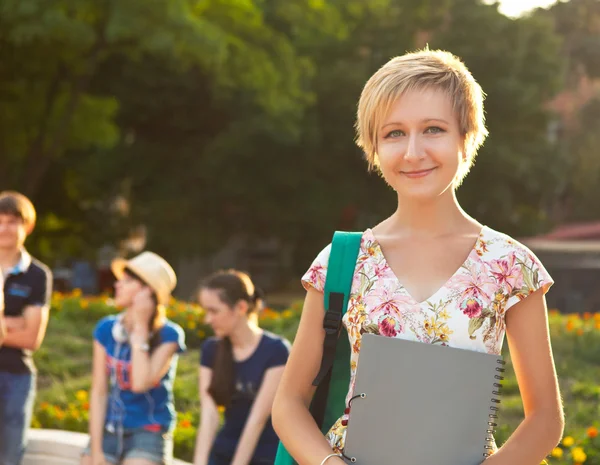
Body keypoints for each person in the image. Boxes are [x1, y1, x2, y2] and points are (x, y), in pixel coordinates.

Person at [272, 49, 564, 465]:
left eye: (433, 129)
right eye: (393, 133)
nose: (413, 152)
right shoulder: (343, 260)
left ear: (467, 136)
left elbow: (545, 420)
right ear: (372, 147)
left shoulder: (510, 264)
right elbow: (288, 403)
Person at [82, 251, 186, 465]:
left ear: (148, 292)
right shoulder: (106, 329)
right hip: (111, 427)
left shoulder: (170, 335)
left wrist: (140, 328)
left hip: (149, 430)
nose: (118, 285)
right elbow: (99, 391)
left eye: (128, 281)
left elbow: (140, 384)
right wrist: (96, 450)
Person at [194, 270, 290, 465]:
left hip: (264, 455)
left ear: (241, 307)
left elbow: (257, 420)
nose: (207, 319)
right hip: (224, 450)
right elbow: (209, 415)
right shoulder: (211, 349)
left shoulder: (276, 351)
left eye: (214, 311)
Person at [0, 191, 52, 465]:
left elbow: (32, 338)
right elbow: (22, 329)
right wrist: (13, 322)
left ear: (27, 226)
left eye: (12, 221)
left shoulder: (37, 275)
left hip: (15, 376)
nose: (4, 228)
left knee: (9, 457)